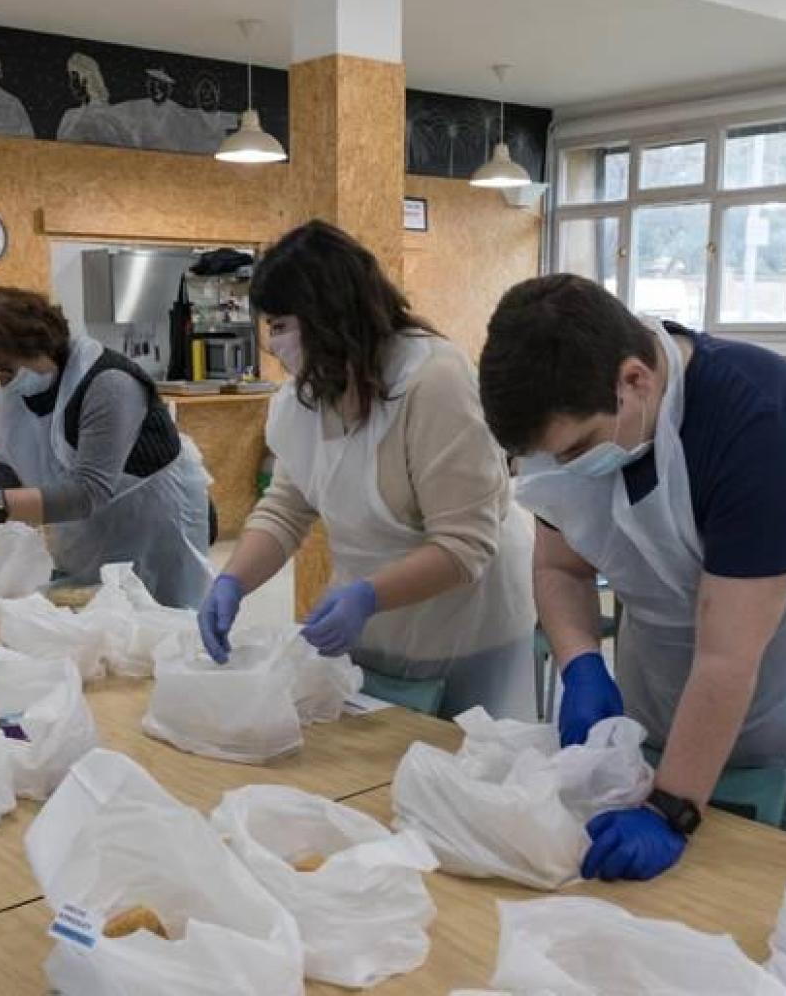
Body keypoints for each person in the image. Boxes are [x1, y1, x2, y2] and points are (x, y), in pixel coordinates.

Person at [478, 275, 786, 881]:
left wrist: (672, 808)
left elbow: (729, 656)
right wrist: (581, 664)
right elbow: (558, 565)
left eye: (576, 451)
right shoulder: (578, 415)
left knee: (784, 884)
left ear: (634, 380)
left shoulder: (766, 419)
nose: (566, 468)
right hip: (671, 672)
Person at [198, 221, 537, 718]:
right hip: (376, 624)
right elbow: (288, 508)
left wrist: (368, 596)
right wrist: (233, 580)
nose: (274, 344)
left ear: (330, 317)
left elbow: (465, 544)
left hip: (465, 625)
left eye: (282, 326)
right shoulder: (309, 393)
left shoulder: (433, 382)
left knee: (460, 774)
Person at [0, 288, 213, 608]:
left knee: (158, 627)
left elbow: (88, 491)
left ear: (40, 344)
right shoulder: (12, 395)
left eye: (6, 367)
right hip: (87, 529)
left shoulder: (109, 384)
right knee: (98, 630)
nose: (1, 379)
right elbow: (5, 472)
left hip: (154, 526)